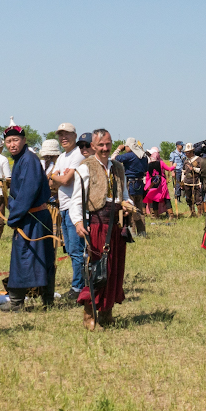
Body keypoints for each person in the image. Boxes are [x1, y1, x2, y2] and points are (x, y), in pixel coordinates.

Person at [69, 129, 136, 329]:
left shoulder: (118, 168)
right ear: (93, 146)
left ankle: (106, 313)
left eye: (108, 144)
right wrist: (78, 223)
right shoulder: (85, 167)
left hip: (116, 225)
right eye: (101, 145)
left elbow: (124, 194)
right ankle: (89, 315)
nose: (105, 148)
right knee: (97, 270)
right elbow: (76, 200)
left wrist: (128, 203)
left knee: (114, 269)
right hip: (97, 225)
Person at [2, 124, 57, 310]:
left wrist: (14, 217)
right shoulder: (21, 160)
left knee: (24, 256)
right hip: (31, 216)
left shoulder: (29, 160)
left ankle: (18, 302)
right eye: (8, 141)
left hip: (33, 217)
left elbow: (27, 193)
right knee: (38, 256)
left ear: (24, 140)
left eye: (15, 140)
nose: (12, 144)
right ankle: (45, 300)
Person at [50, 122, 85, 301]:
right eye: (61, 135)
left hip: (74, 208)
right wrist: (58, 178)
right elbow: (53, 181)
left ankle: (78, 287)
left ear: (75, 135)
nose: (63, 138)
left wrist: (56, 177)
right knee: (71, 249)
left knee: (77, 250)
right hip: (63, 207)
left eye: (67, 134)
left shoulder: (78, 154)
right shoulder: (62, 157)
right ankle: (80, 284)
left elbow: (64, 180)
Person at [115, 138, 148, 236]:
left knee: (130, 207)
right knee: (140, 209)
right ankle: (142, 231)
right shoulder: (144, 156)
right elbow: (146, 169)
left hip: (130, 184)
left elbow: (113, 159)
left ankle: (132, 232)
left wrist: (118, 149)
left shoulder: (129, 156)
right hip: (140, 184)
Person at [143, 147, 176, 219]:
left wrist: (148, 186)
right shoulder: (161, 163)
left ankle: (156, 216)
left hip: (153, 183)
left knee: (155, 199)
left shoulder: (149, 165)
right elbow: (169, 169)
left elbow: (148, 176)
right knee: (166, 198)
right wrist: (174, 166)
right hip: (162, 182)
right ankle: (171, 215)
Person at [180, 143, 203, 216]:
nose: (186, 154)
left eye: (188, 152)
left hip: (196, 182)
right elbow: (183, 171)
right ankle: (192, 213)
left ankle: (199, 213)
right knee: (188, 198)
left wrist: (193, 169)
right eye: (185, 152)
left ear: (192, 152)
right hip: (187, 182)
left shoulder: (199, 160)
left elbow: (202, 171)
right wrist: (182, 181)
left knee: (198, 199)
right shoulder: (186, 161)